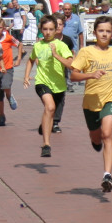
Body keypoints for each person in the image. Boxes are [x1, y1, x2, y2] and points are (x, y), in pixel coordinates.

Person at [69, 15, 112, 192]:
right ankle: (95, 141)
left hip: (110, 99)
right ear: (94, 32)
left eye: (107, 31)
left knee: (107, 134)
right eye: (101, 31)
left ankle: (107, 175)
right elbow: (73, 75)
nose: (104, 34)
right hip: (90, 102)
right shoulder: (86, 52)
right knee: (96, 136)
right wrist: (90, 74)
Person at [23, 15, 73, 158]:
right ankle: (46, 144)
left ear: (56, 29)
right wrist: (26, 76)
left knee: (50, 112)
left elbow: (71, 64)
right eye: (45, 29)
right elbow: (30, 60)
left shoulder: (61, 45)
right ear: (41, 29)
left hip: (59, 85)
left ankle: (43, 126)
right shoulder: (38, 45)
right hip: (42, 82)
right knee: (50, 107)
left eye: (51, 29)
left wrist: (56, 55)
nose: (48, 32)